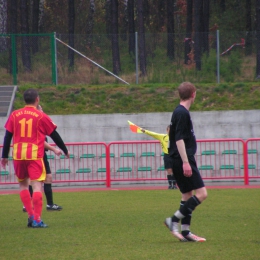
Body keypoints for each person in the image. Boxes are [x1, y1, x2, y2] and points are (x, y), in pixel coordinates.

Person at [1, 89, 70, 228]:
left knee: (23, 185)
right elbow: (53, 134)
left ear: (24, 100)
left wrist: (4, 156)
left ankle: (30, 215)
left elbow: (8, 135)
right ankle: (37, 219)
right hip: (33, 155)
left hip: (18, 155)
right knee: (37, 185)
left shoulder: (14, 115)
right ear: (37, 99)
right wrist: (64, 149)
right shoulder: (40, 115)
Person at [164, 82, 208, 242]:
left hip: (178, 159)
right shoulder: (182, 113)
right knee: (202, 194)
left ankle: (186, 232)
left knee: (187, 195)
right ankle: (173, 220)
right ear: (193, 94)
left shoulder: (179, 111)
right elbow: (179, 139)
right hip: (183, 160)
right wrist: (185, 162)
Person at [22, 105, 63, 212]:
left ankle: (49, 204)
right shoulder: (35, 122)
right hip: (36, 154)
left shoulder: (40, 121)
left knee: (47, 178)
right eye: (41, 110)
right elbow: (40, 141)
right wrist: (54, 149)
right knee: (33, 180)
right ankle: (29, 204)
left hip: (40, 154)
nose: (43, 112)